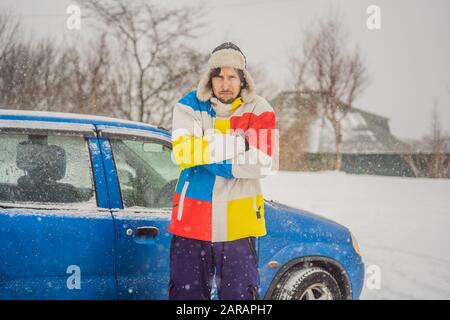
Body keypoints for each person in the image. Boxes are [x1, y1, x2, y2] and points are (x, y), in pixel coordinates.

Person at [168, 42, 278, 300]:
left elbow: (263, 162)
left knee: (239, 300)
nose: (225, 83)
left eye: (232, 76)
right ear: (210, 78)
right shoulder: (189, 105)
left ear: (243, 80)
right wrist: (239, 143)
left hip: (239, 226)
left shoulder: (259, 109)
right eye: (219, 76)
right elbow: (182, 152)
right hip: (191, 223)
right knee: (187, 301)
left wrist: (204, 150)